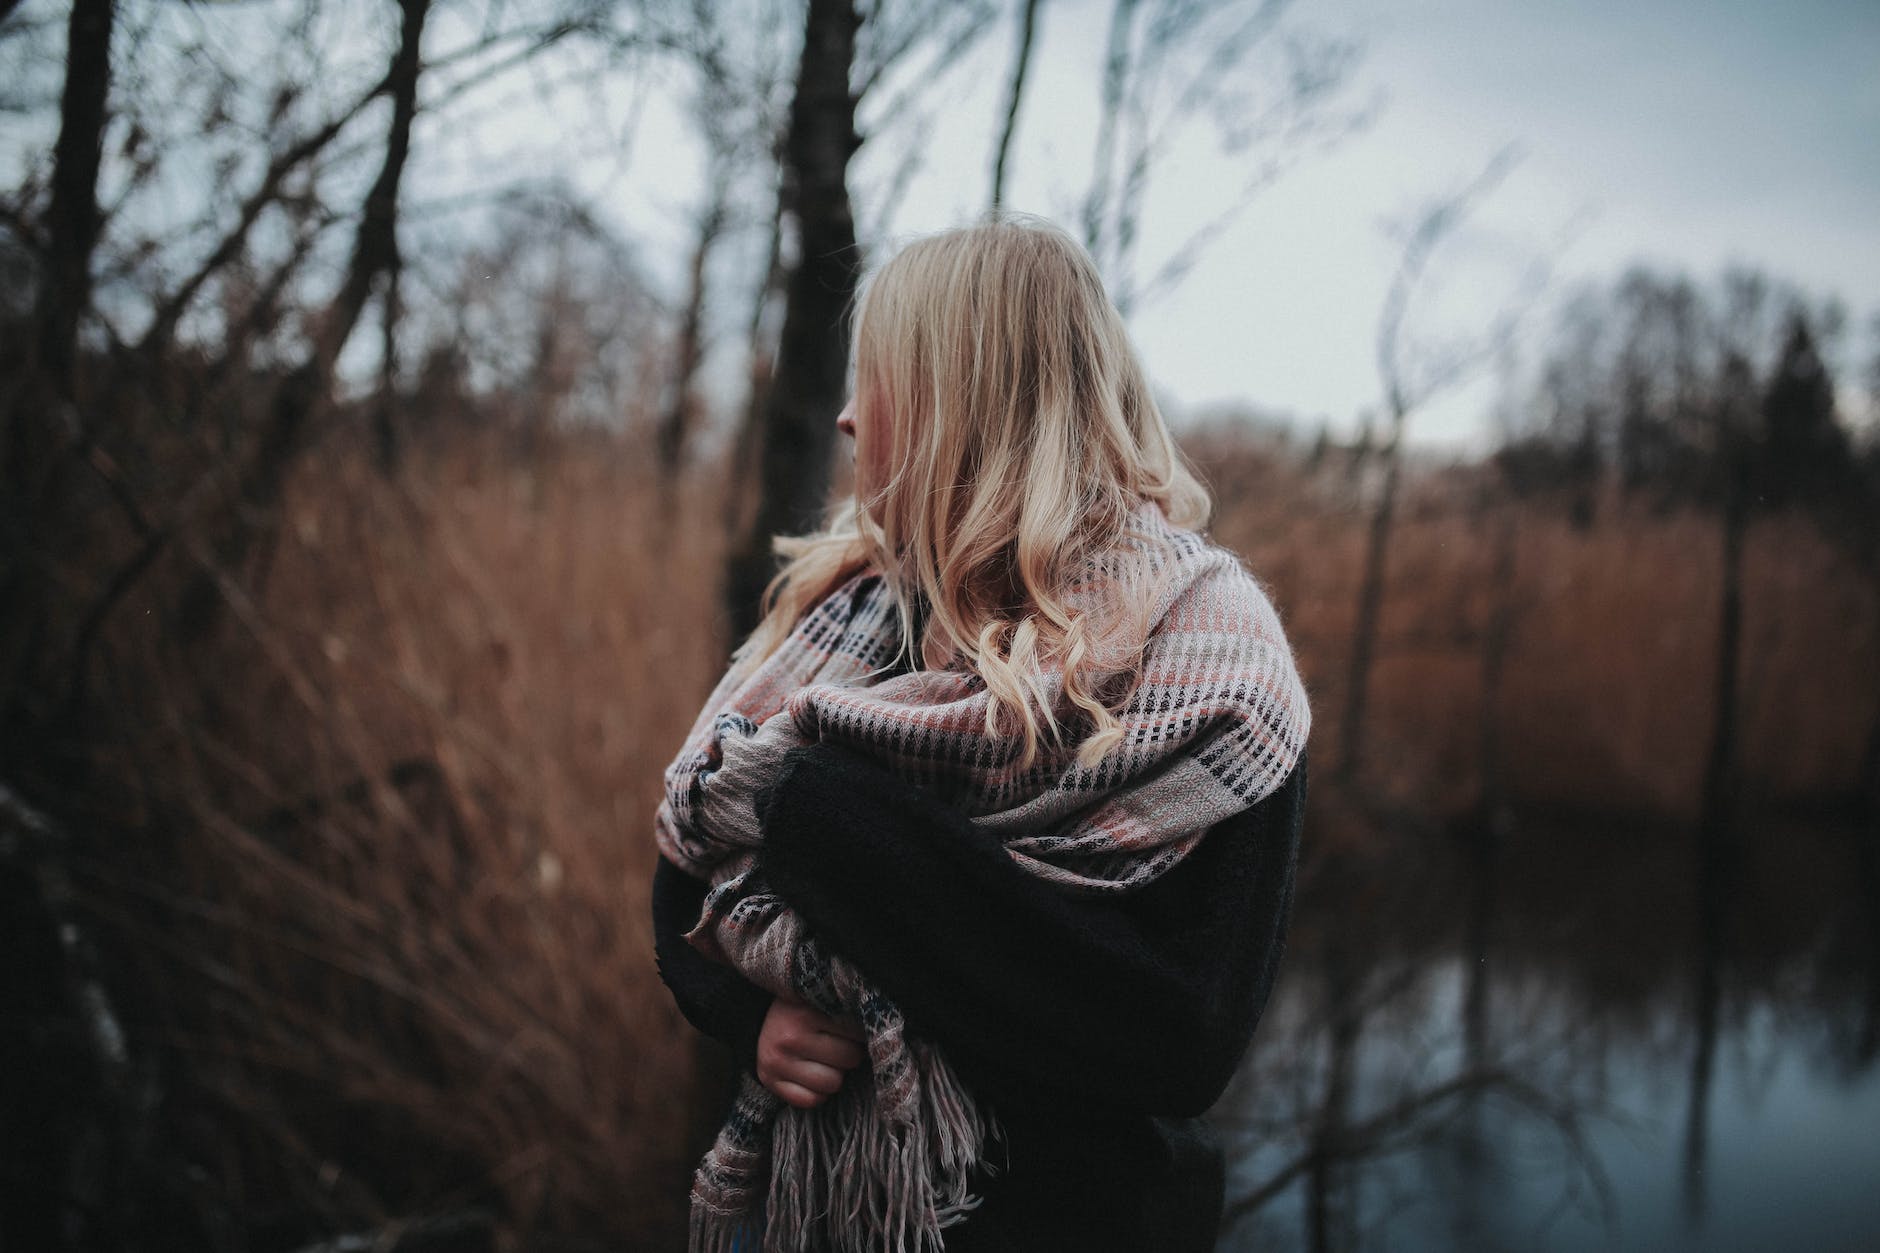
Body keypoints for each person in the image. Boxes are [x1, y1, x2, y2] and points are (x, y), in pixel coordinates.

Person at [652, 216, 1311, 1253]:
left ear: (966, 400)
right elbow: (688, 865)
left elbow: (1180, 1035)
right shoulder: (852, 605)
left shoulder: (1207, 657)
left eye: (875, 379)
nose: (841, 418)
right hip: (818, 1211)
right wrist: (750, 1014)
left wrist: (821, 809)